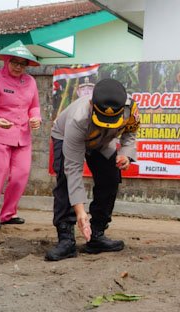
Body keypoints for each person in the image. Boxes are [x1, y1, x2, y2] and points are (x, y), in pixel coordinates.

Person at [45, 78, 140, 261]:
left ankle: (97, 235)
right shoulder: (78, 118)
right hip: (66, 136)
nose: (106, 123)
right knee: (65, 181)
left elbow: (130, 133)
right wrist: (81, 212)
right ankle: (66, 239)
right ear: (91, 103)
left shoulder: (131, 109)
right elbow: (73, 170)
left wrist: (126, 155)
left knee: (110, 178)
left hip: (103, 142)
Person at [0, 40, 42, 230]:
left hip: (22, 135)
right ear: (6, 61)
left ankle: (9, 213)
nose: (18, 67)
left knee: (21, 174)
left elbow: (35, 106)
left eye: (23, 64)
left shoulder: (30, 81)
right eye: (14, 62)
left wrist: (36, 117)